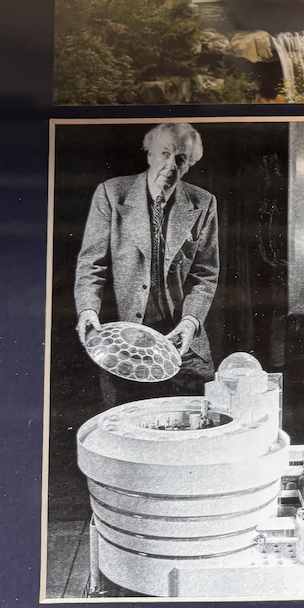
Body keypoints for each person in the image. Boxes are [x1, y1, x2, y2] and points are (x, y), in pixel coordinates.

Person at [74, 123, 218, 402]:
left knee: (199, 420)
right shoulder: (111, 194)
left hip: (181, 341)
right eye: (164, 154)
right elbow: (91, 264)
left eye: (180, 159)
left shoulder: (204, 203)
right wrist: (88, 309)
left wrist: (190, 323)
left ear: (189, 164)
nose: (170, 165)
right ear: (149, 154)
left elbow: (205, 274)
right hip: (124, 341)